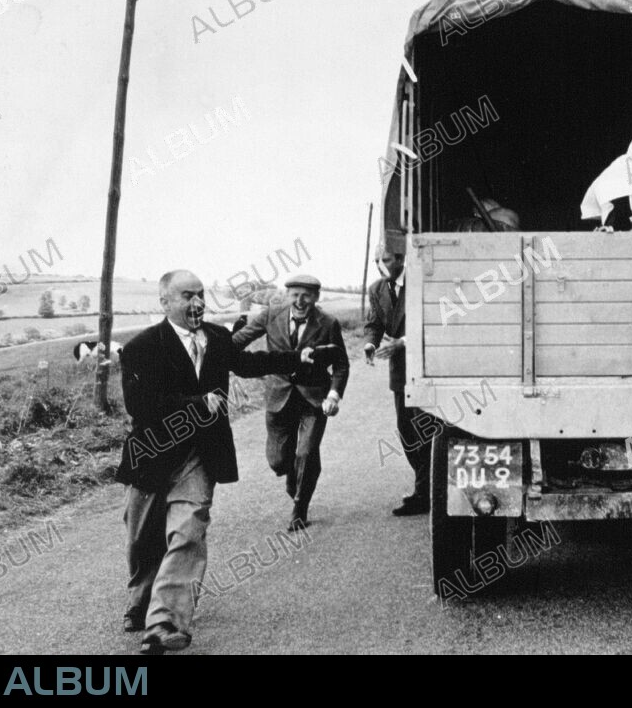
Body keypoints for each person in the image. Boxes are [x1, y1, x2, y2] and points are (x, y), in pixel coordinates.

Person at [117, 269, 328, 654]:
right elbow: (140, 405)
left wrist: (298, 358)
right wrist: (194, 404)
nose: (197, 303)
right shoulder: (140, 348)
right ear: (164, 302)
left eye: (201, 295)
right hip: (152, 455)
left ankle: (164, 624)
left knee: (188, 532)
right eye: (186, 296)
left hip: (200, 455)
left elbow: (249, 364)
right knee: (142, 537)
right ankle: (141, 600)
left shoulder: (215, 337)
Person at [232, 274, 350, 531]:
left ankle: (300, 507)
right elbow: (238, 340)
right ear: (286, 296)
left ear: (316, 298)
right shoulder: (271, 315)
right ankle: (292, 475)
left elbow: (341, 364)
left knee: (306, 453)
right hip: (279, 396)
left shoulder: (328, 323)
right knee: (277, 460)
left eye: (306, 295)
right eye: (295, 294)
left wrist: (333, 395)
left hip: (313, 398)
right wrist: (217, 347)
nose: (300, 300)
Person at [364, 249, 432, 516]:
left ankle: (424, 493)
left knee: (425, 429)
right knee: (406, 431)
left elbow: (435, 321)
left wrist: (402, 343)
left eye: (385, 260)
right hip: (400, 372)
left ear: (401, 259)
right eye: (376, 261)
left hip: (426, 366)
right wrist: (370, 343)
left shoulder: (423, 282)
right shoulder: (376, 288)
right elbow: (374, 323)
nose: (379, 265)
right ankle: (425, 487)